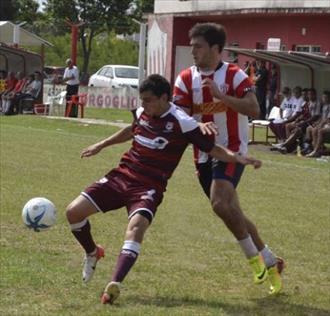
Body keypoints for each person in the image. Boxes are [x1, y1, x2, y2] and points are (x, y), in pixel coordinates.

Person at [66, 74, 262, 304]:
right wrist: (101, 145)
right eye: (142, 100)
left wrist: (237, 158)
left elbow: (214, 149)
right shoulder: (142, 113)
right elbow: (131, 130)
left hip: (149, 186)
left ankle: (114, 285)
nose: (144, 105)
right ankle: (92, 252)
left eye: (148, 100)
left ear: (164, 98)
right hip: (122, 176)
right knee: (73, 212)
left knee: (136, 227)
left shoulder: (182, 122)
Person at [173, 22, 284, 295]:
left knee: (220, 204)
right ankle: (271, 260)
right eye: (193, 46)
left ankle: (254, 261)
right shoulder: (186, 78)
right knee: (232, 212)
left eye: (198, 46)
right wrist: (195, 126)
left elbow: (254, 107)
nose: (194, 51)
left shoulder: (234, 75)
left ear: (215, 48)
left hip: (233, 149)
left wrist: (222, 96)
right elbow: (179, 115)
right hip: (203, 153)